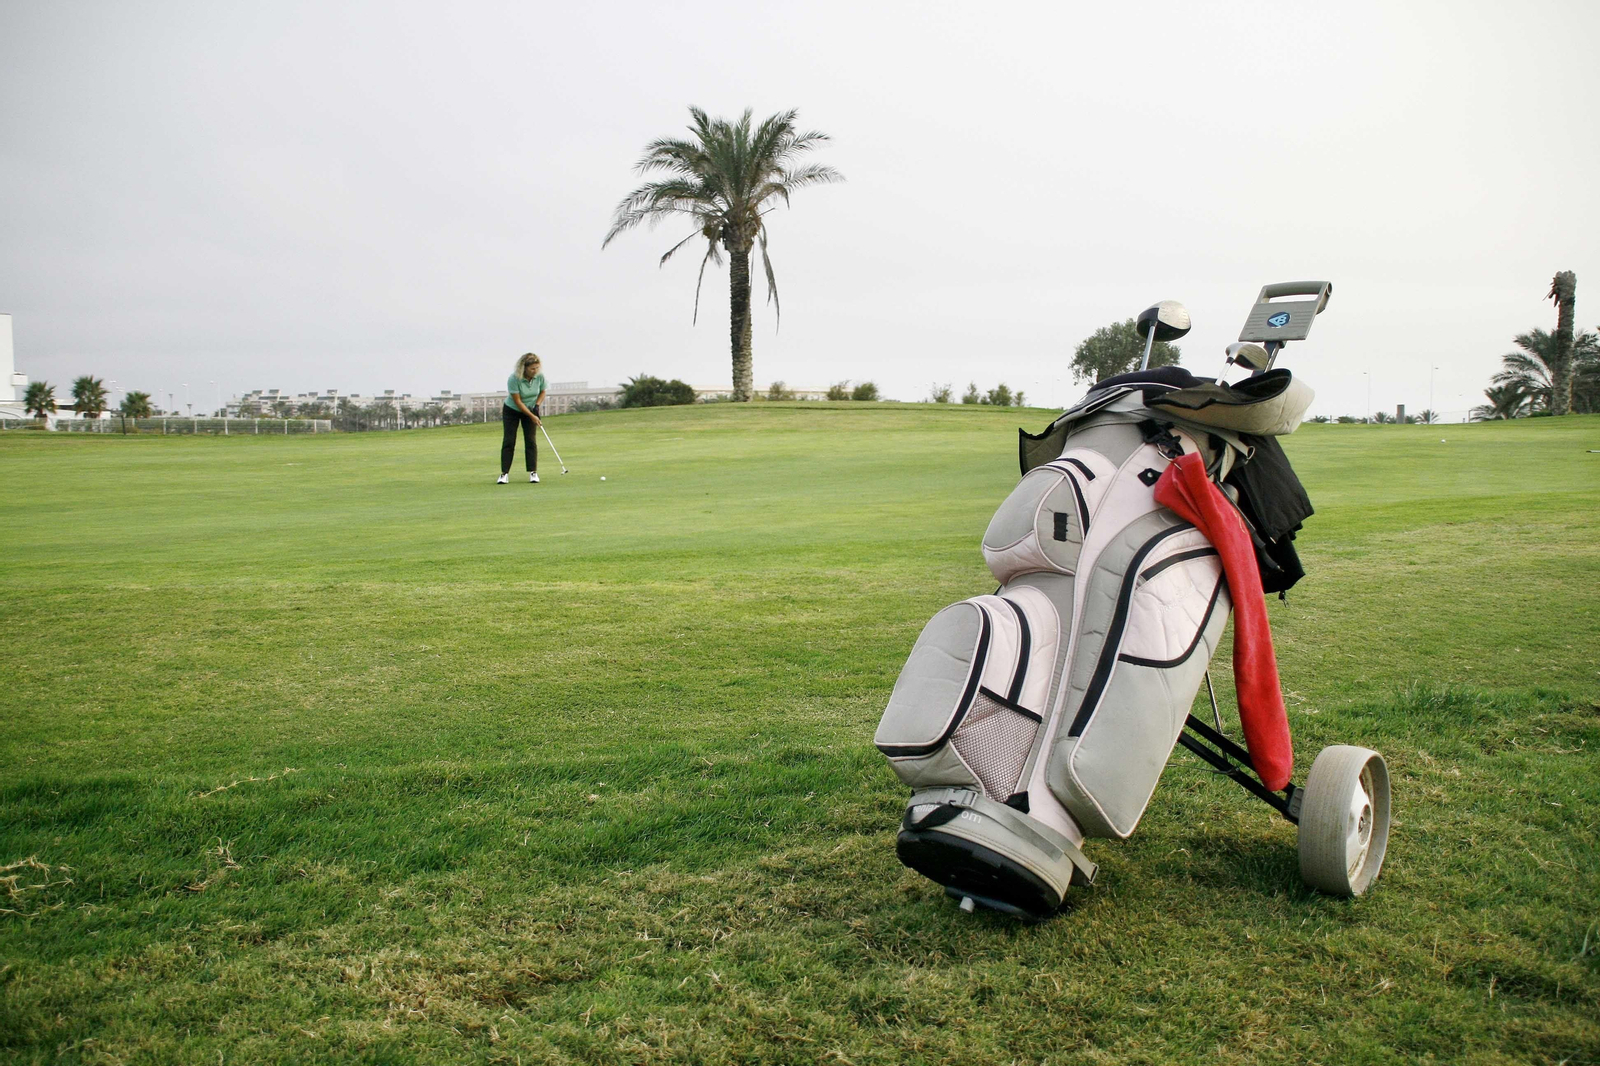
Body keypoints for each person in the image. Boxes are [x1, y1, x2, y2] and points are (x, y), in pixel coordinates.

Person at [499, 352, 546, 484]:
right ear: (524, 368)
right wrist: (532, 416)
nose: (535, 371)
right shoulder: (514, 379)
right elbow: (518, 402)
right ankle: (504, 474)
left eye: (537, 368)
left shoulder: (540, 377)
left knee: (530, 440)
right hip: (512, 410)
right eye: (532, 369)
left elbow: (543, 391)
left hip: (531, 408)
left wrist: (537, 406)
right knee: (509, 441)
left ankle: (533, 472)